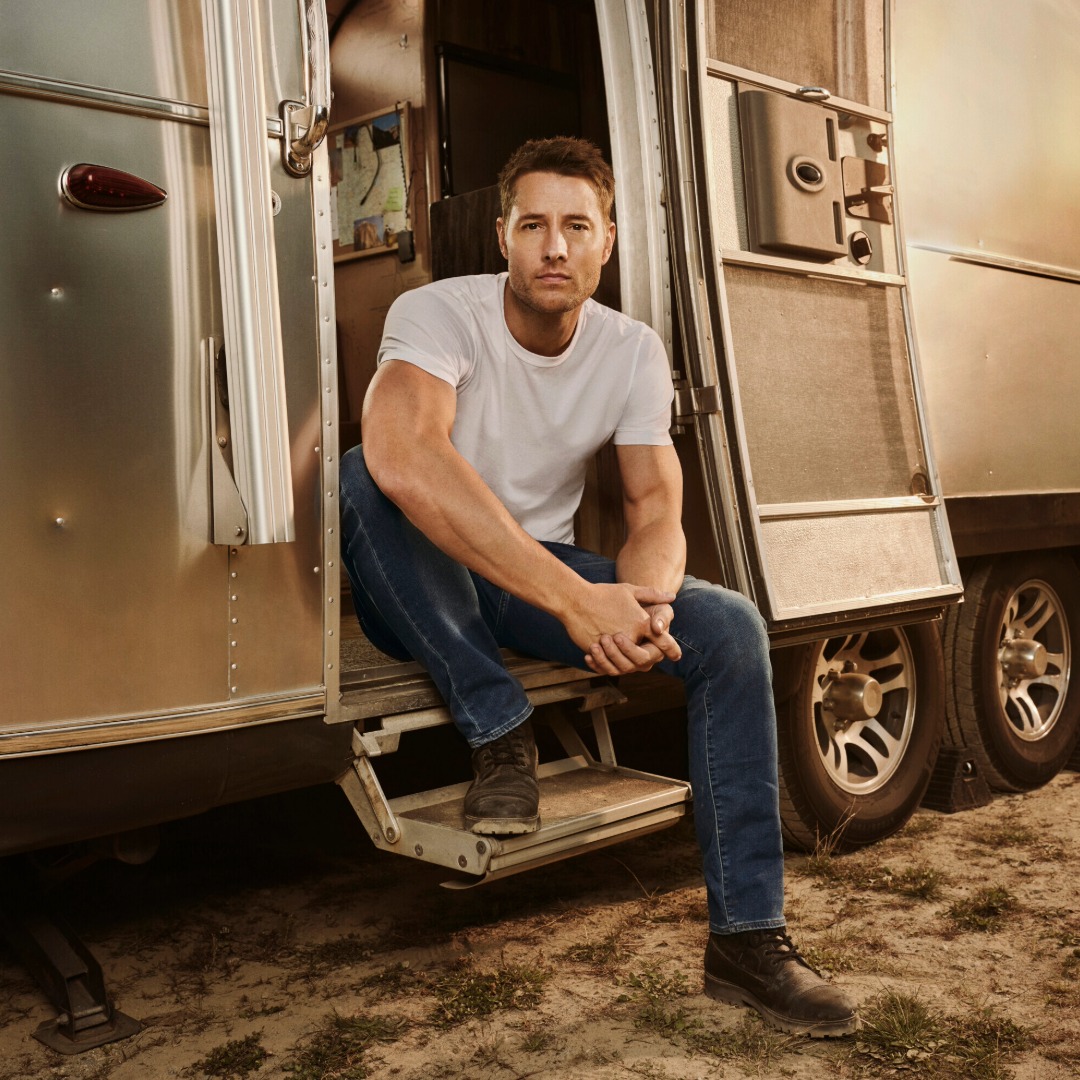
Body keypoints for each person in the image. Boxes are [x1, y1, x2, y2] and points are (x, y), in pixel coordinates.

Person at [339, 137, 858, 1037]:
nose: (554, 246)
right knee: (361, 471)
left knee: (729, 627)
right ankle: (499, 729)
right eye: (533, 224)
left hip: (533, 576)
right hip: (422, 581)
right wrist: (577, 601)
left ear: (606, 242)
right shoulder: (437, 313)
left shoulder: (630, 348)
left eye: (576, 226)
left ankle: (748, 939)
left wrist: (643, 607)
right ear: (501, 236)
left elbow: (655, 503)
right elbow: (403, 451)